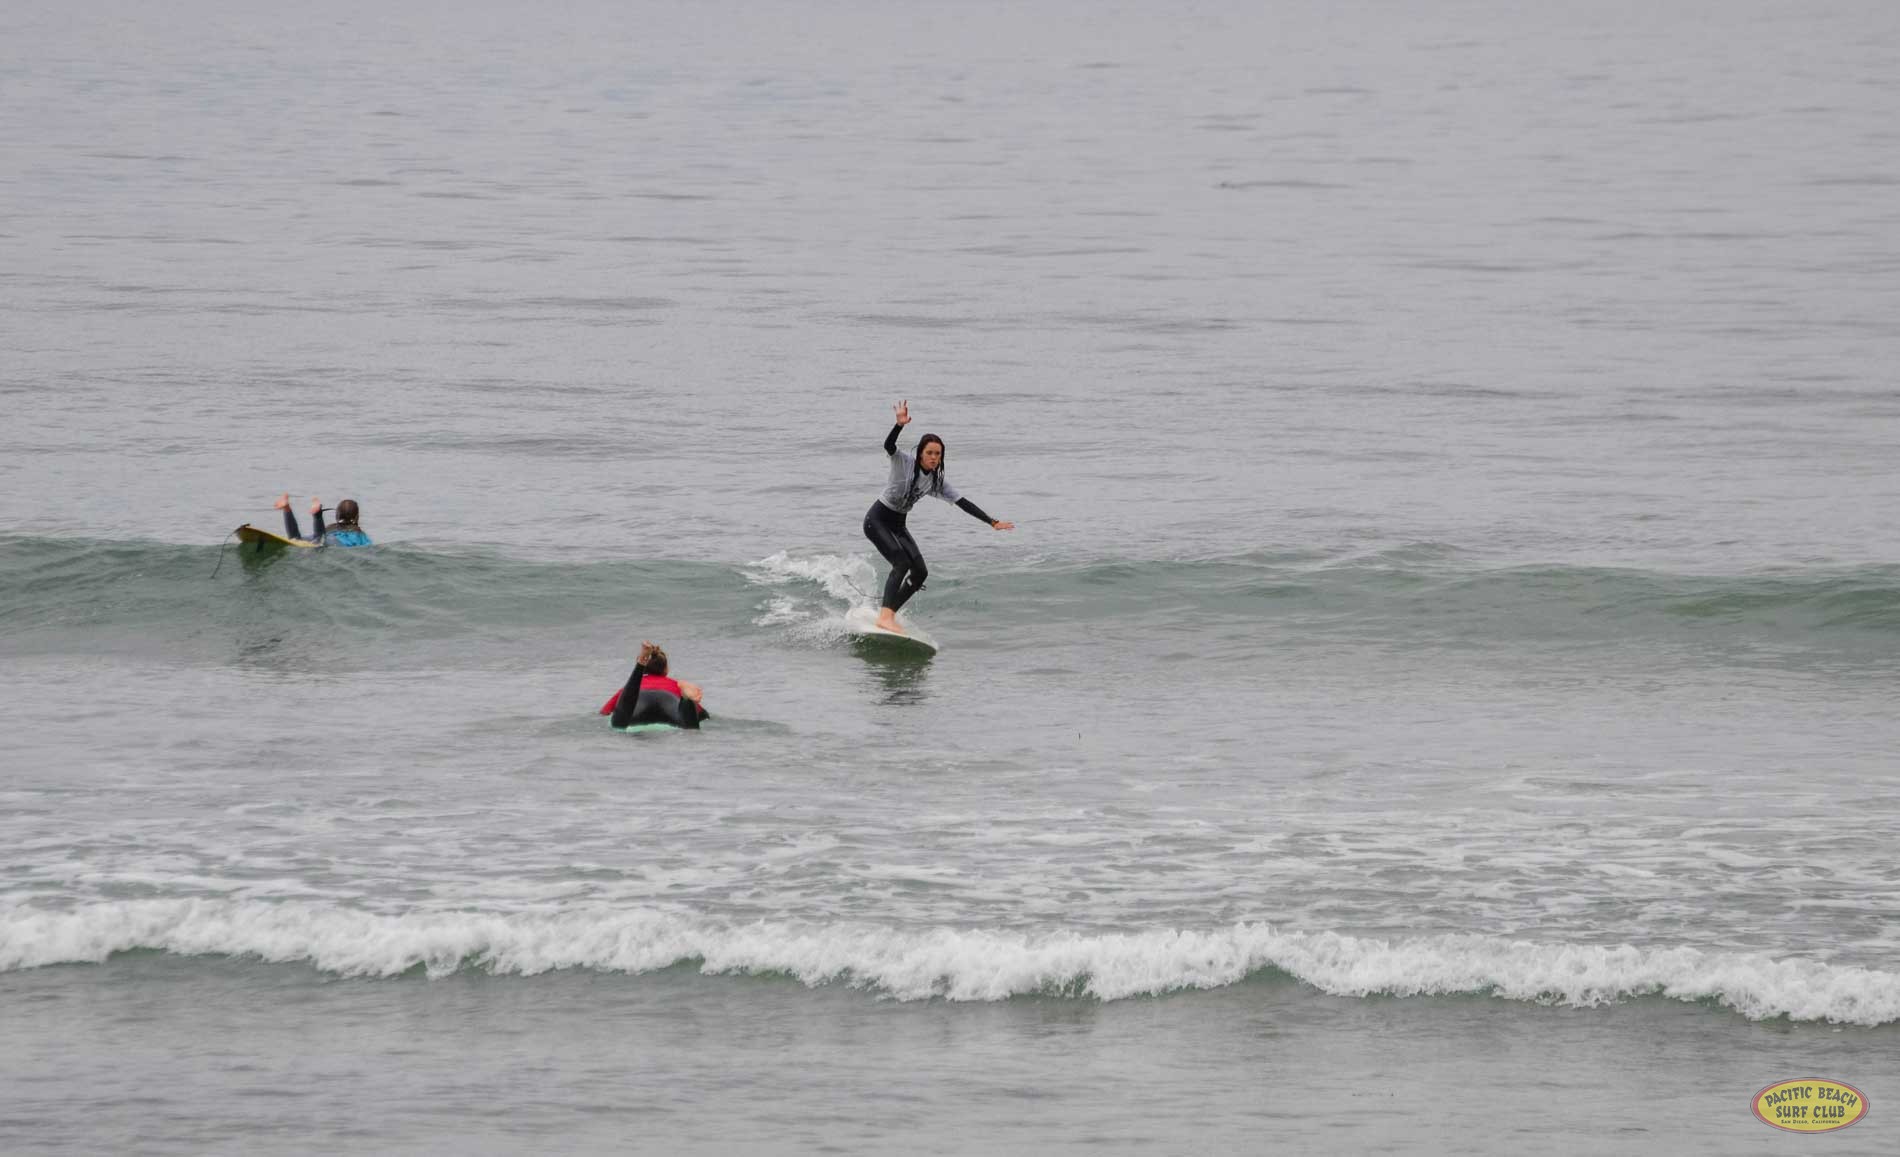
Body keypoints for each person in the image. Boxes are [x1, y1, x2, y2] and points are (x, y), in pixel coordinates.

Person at [863, 400, 1014, 633]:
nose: (934, 457)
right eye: (929, 453)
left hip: (899, 525)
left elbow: (963, 503)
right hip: (878, 520)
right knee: (901, 563)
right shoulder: (903, 461)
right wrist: (899, 425)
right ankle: (885, 617)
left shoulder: (936, 481)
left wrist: (992, 522)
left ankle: (888, 614)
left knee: (920, 573)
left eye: (938, 454)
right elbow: (888, 445)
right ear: (921, 454)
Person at [599, 641, 708, 730]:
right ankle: (686, 700)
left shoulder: (629, 689)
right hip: (669, 703)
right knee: (689, 725)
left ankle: (640, 664)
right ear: (666, 669)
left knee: (619, 723)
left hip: (638, 702)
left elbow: (605, 712)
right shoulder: (675, 685)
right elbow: (702, 715)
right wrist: (699, 712)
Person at [273, 494, 372, 547]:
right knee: (320, 541)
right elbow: (368, 549)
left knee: (296, 539)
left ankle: (287, 509)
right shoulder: (360, 535)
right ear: (357, 516)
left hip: (327, 536)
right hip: (336, 543)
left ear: (337, 514)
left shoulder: (331, 527)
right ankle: (317, 515)